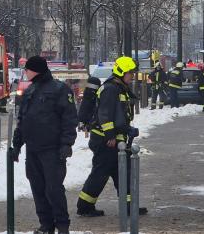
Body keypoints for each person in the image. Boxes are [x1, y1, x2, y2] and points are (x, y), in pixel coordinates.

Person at [12, 56, 77, 234]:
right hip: (33, 150)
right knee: (38, 189)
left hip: (52, 150)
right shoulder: (30, 90)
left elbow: (69, 119)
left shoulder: (59, 89)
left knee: (53, 189)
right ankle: (46, 225)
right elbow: (23, 121)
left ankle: (62, 226)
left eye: (27, 69)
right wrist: (17, 145)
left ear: (36, 69)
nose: (25, 72)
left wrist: (66, 143)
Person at [77, 56, 147, 218]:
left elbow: (118, 115)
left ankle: (130, 205)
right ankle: (84, 206)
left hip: (116, 139)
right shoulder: (111, 89)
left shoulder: (119, 87)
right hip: (105, 140)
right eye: (130, 73)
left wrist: (127, 130)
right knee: (100, 174)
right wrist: (110, 136)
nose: (132, 76)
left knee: (124, 172)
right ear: (121, 72)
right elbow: (105, 115)